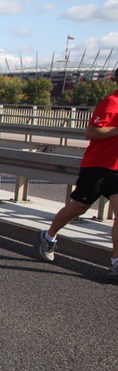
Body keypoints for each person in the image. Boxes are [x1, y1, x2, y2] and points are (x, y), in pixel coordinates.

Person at [37, 68, 118, 279]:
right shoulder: (111, 102)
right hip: (97, 167)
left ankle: (116, 263)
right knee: (79, 207)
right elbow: (91, 132)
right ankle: (49, 236)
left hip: (117, 169)